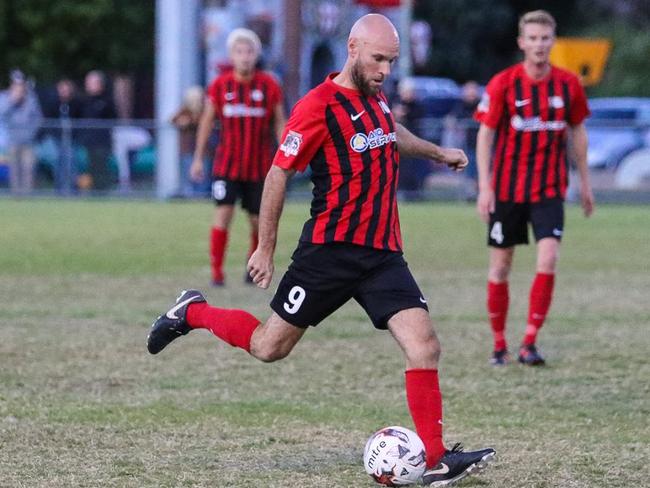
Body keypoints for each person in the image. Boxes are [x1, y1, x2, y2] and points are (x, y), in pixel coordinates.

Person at [148, 14, 495, 486]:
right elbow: (277, 174)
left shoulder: (376, 97)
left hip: (382, 255)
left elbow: (391, 133)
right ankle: (192, 312)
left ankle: (434, 459)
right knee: (269, 347)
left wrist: (438, 152)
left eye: (391, 62)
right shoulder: (317, 106)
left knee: (425, 346)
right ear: (352, 48)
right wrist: (265, 248)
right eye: (378, 59)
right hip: (327, 254)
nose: (385, 70)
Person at [474, 10, 594, 367]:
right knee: (500, 267)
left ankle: (529, 342)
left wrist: (585, 181)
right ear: (521, 42)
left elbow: (577, 131)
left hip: (549, 189)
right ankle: (499, 344)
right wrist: (485, 186)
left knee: (549, 257)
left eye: (545, 38)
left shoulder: (568, 84)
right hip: (508, 190)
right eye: (533, 38)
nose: (539, 45)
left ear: (552, 41)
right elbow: (486, 134)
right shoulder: (503, 83)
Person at [190, 28, 286, 286]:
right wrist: (198, 158)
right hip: (227, 165)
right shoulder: (220, 85)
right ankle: (217, 272)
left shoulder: (269, 86)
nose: (244, 57)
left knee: (258, 220)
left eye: (249, 52)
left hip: (260, 167)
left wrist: (288, 155)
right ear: (232, 55)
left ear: (256, 55)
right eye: (239, 52)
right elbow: (207, 123)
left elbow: (280, 123)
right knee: (223, 213)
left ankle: (252, 267)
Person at [0, 69, 43, 194]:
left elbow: (38, 117)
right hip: (12, 140)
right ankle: (16, 194)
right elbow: (2, 113)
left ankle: (27, 194)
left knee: (28, 168)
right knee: (14, 168)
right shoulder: (5, 97)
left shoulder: (30, 98)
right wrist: (13, 101)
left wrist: (31, 133)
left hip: (28, 140)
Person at [78, 70, 117, 191]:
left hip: (102, 142)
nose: (88, 85)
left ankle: (103, 190)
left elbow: (113, 118)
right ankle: (93, 190)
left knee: (101, 166)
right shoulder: (84, 101)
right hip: (89, 142)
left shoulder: (107, 101)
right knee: (91, 167)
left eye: (91, 82)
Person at [171, 85, 209, 198]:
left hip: (204, 150)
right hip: (187, 149)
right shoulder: (185, 110)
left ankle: (202, 195)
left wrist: (191, 121)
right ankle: (190, 195)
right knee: (188, 175)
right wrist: (182, 122)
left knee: (203, 176)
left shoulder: (205, 110)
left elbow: (205, 122)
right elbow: (173, 120)